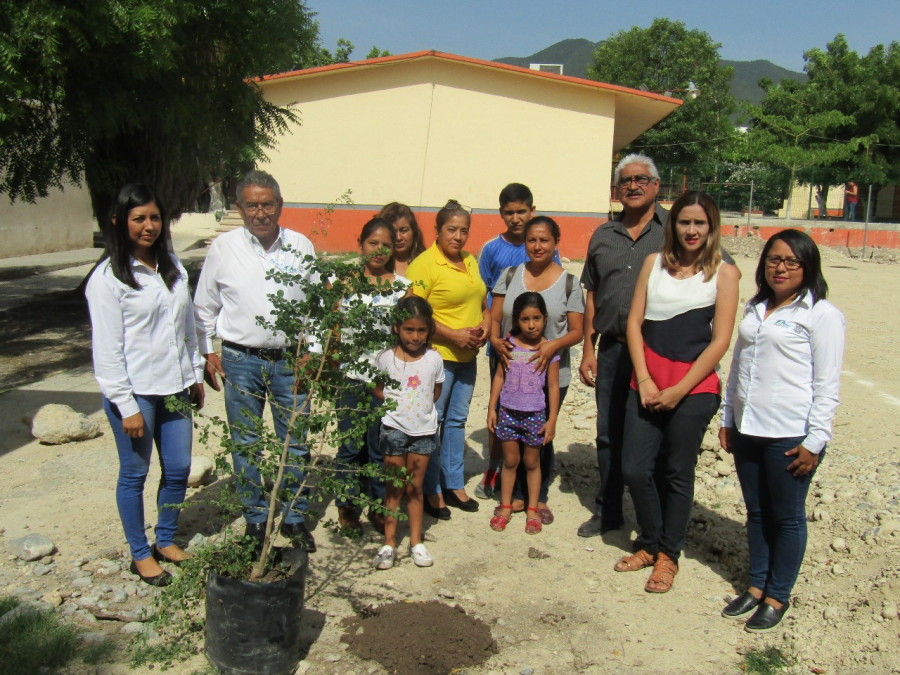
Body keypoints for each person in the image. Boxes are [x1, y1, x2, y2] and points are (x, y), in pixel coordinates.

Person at [578, 154, 736, 537]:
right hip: (614, 350)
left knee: (660, 444)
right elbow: (592, 293)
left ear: (656, 185)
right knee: (608, 433)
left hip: (658, 355)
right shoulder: (603, 235)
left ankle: (662, 525)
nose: (633, 186)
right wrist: (588, 348)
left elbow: (717, 266)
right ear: (617, 189)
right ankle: (609, 510)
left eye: (641, 179)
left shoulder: (677, 226)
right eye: (625, 180)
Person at [719, 230, 844, 631]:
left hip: (791, 435)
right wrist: (728, 419)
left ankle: (777, 595)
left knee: (787, 518)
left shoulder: (821, 314)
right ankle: (757, 585)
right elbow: (738, 367)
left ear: (808, 267)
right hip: (748, 429)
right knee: (757, 512)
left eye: (792, 261)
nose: (781, 267)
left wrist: (815, 441)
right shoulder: (756, 308)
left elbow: (827, 385)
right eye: (774, 259)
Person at [615, 191, 739, 593]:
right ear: (673, 225)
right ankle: (650, 541)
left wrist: (679, 390)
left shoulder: (725, 273)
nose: (691, 230)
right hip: (647, 382)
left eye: (700, 222)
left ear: (712, 226)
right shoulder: (653, 263)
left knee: (676, 472)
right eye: (684, 221)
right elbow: (634, 324)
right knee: (635, 468)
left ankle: (668, 553)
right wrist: (645, 379)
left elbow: (720, 341)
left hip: (694, 388)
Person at [86, 184, 205, 587]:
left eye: (155, 217)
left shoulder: (172, 266)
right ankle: (140, 553)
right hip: (136, 393)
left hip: (175, 388)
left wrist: (194, 374)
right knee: (134, 474)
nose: (148, 226)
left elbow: (187, 327)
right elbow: (107, 350)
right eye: (139, 218)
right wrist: (126, 405)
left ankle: (165, 539)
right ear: (119, 222)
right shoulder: (108, 279)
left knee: (179, 468)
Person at [194, 169, 317, 553]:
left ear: (280, 205)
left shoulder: (301, 246)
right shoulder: (223, 248)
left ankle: (294, 518)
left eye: (267, 204)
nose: (260, 213)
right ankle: (256, 518)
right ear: (240, 207)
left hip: (291, 362)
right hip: (240, 360)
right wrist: (207, 352)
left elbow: (316, 306)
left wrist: (312, 353)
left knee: (294, 441)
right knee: (246, 443)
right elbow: (203, 307)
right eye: (252, 205)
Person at [489, 216, 584, 523]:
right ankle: (514, 496)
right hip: (511, 366)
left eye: (544, 240)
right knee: (512, 435)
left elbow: (577, 331)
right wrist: (494, 340)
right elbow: (494, 317)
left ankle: (537, 498)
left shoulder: (569, 283)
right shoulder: (510, 275)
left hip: (551, 371)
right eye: (532, 240)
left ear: (556, 242)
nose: (538, 246)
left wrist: (552, 346)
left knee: (541, 436)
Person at [474, 184, 560, 500]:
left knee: (534, 408)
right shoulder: (491, 249)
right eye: (509, 212)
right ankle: (494, 468)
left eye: (521, 211)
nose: (516, 218)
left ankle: (531, 481)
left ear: (532, 211)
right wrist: (494, 339)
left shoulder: (543, 245)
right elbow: (483, 296)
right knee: (501, 408)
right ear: (501, 213)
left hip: (536, 350)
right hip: (505, 349)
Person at [406, 199, 490, 518]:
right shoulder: (425, 264)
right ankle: (432, 489)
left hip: (468, 357)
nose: (458, 236)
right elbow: (414, 312)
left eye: (463, 231)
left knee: (456, 421)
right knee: (433, 421)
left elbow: (481, 302)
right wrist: (453, 335)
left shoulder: (469, 260)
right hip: (438, 357)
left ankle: (454, 483)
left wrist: (486, 324)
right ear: (438, 230)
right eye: (451, 230)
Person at [334, 217, 409, 535]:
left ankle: (379, 506)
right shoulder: (344, 282)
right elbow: (330, 330)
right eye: (373, 243)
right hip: (351, 379)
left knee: (382, 448)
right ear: (361, 244)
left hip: (385, 383)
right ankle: (346, 506)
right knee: (350, 446)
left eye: (386, 245)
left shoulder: (402, 288)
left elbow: (408, 335)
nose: (379, 250)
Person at [372, 297, 445, 568]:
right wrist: (398, 407)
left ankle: (416, 542)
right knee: (394, 488)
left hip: (423, 432)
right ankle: (389, 543)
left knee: (415, 487)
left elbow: (435, 391)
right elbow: (378, 389)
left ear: (429, 330)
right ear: (396, 328)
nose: (415, 337)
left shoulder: (434, 358)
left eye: (421, 330)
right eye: (409, 330)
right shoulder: (385, 358)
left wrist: (418, 409)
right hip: (393, 430)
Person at [487, 293, 560, 535]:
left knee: (532, 462)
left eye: (536, 318)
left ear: (545, 318)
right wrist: (492, 407)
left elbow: (553, 386)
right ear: (516, 320)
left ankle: (532, 510)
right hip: (508, 412)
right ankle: (506, 507)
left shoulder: (548, 349)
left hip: (535, 415)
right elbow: (499, 376)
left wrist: (552, 420)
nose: (531, 325)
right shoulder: (508, 345)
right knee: (510, 462)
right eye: (525, 319)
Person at [378, 202, 426, 277]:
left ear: (414, 231)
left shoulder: (426, 262)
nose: (398, 238)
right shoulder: (376, 264)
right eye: (393, 232)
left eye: (403, 230)